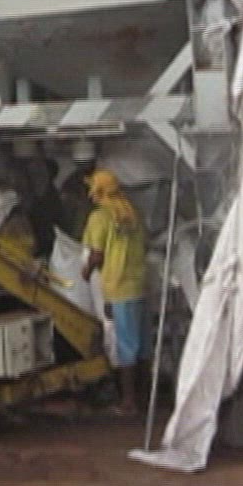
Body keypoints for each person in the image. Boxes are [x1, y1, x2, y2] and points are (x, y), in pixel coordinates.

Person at [81, 169, 148, 417]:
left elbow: (97, 254)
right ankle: (145, 396)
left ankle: (128, 403)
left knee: (126, 347)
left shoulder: (100, 217)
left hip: (118, 286)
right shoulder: (132, 213)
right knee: (142, 346)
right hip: (139, 284)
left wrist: (86, 271)